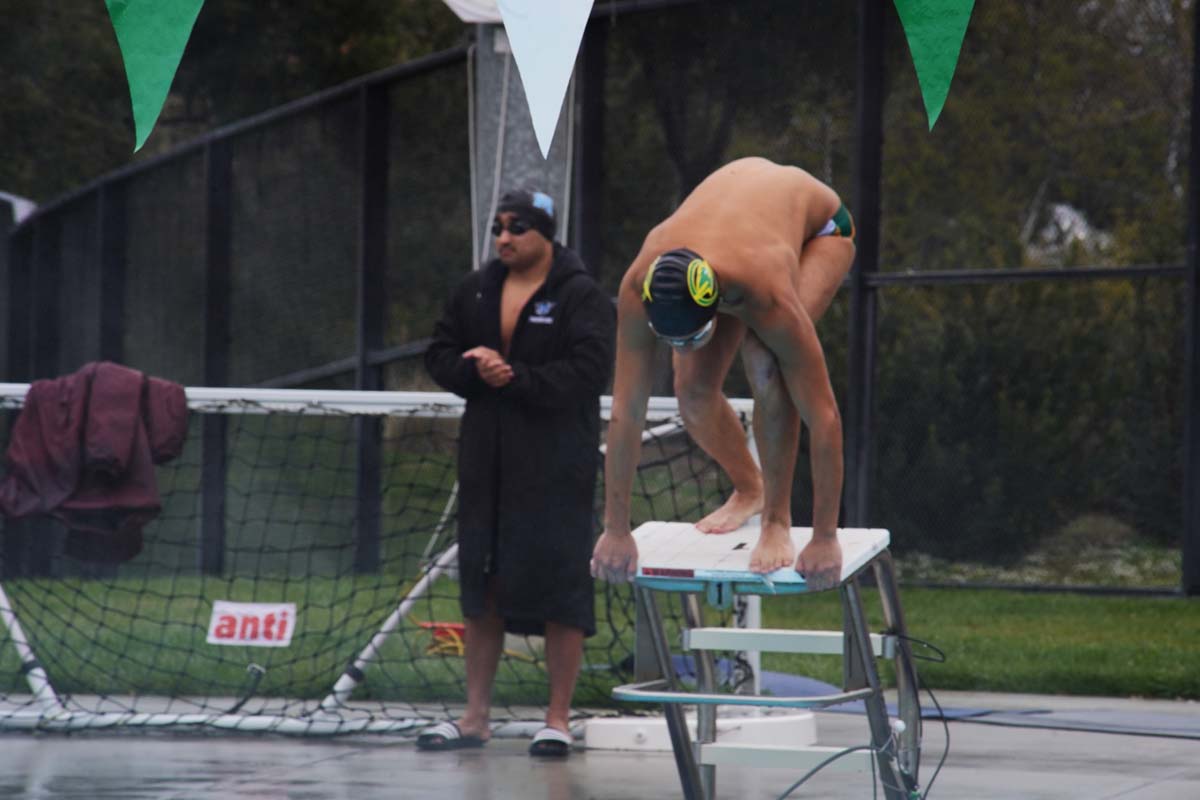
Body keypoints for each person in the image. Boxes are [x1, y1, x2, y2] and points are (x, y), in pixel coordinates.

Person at [591, 157, 855, 592]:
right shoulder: (640, 283)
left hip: (821, 232)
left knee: (766, 360)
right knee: (691, 391)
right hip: (734, 231)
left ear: (715, 303)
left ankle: (776, 517)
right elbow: (626, 410)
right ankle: (750, 487)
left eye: (694, 337)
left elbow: (824, 415)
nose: (684, 348)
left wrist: (825, 537)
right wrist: (616, 529)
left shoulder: (765, 290)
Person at [420, 189, 615, 757]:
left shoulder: (581, 296)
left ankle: (557, 717)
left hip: (557, 465)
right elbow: (437, 353)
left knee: (561, 588)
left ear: (546, 234)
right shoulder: (477, 288)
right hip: (486, 461)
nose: (504, 238)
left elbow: (589, 372)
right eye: (499, 228)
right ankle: (474, 717)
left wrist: (517, 378)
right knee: (483, 587)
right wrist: (472, 370)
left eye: (518, 228)